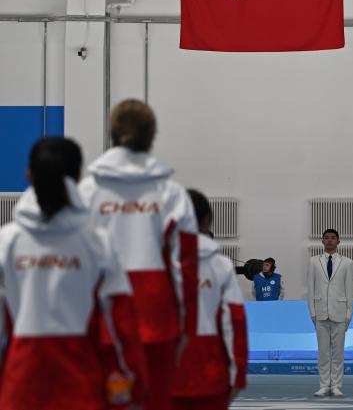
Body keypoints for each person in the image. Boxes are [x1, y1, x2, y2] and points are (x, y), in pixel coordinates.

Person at [0, 137, 147, 410]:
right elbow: (121, 323)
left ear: (28, 175)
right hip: (80, 381)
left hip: (21, 383)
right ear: (79, 176)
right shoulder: (98, 243)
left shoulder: (7, 242)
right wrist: (134, 383)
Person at [79, 99, 199, 410]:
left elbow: (76, 264)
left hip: (102, 316)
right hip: (156, 317)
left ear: (112, 132)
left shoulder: (86, 192)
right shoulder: (171, 193)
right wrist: (188, 326)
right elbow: (185, 265)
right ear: (152, 135)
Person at [173, 189, 248, 410]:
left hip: (164, 370)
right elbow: (234, 321)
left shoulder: (153, 264)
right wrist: (237, 374)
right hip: (210, 370)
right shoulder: (220, 265)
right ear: (207, 221)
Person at [307, 228, 353, 397]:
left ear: (338, 241)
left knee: (338, 352)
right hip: (320, 312)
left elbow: (349, 290)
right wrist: (312, 312)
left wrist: (349, 314)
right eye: (326, 238)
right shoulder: (313, 262)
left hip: (340, 312)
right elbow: (311, 289)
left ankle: (336, 385)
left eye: (333, 238)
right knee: (323, 352)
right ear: (322, 241)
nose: (329, 240)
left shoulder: (347, 263)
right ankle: (324, 385)